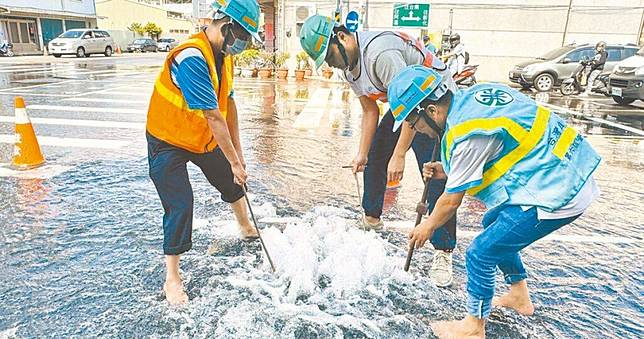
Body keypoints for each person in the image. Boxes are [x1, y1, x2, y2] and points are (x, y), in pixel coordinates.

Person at [387, 65, 601, 338]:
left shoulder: (466, 134)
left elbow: (451, 201)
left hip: (559, 190)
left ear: (431, 111)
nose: (414, 129)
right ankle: (518, 295)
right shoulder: (474, 98)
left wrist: (427, 227)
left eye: (412, 122)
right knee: (492, 222)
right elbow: (491, 150)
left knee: (481, 253)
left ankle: (474, 326)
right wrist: (446, 169)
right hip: (564, 167)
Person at [299, 15, 459, 287]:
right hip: (406, 107)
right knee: (374, 160)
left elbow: (414, 104)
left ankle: (443, 251)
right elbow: (370, 110)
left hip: (431, 105)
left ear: (341, 37)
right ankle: (372, 218)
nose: (331, 64)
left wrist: (399, 155)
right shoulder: (349, 68)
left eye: (329, 56)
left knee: (433, 175)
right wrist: (362, 153)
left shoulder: (380, 55)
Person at [145, 0, 262, 305]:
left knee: (231, 179)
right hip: (167, 139)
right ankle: (172, 278)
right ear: (227, 26)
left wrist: (237, 156)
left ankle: (246, 227)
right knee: (180, 203)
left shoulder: (223, 55)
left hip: (201, 137)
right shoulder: (192, 57)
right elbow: (213, 115)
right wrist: (235, 161)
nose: (245, 43)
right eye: (245, 35)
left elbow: (229, 105)